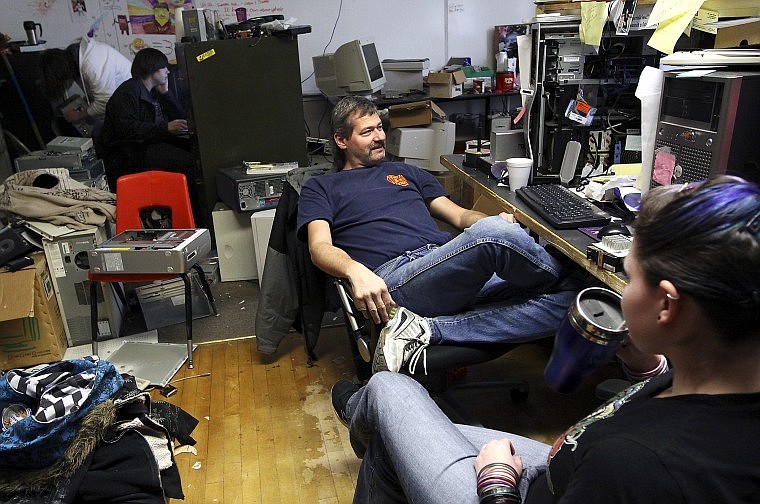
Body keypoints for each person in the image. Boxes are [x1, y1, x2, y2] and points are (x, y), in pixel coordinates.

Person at [330, 175, 760, 503]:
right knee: (390, 439)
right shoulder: (719, 383)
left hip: (518, 491)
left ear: (668, 307)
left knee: (388, 388)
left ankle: (358, 407)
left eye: (630, 276)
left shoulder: (634, 464)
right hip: (567, 466)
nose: (621, 290)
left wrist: (497, 481)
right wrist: (650, 368)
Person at [297, 95, 578, 374]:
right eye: (367, 132)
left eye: (380, 128)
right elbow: (319, 247)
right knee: (509, 244)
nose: (379, 137)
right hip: (395, 281)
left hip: (444, 265)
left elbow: (461, 216)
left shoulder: (405, 172)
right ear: (341, 140)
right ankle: (556, 275)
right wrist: (354, 270)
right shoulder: (322, 187)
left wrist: (495, 221)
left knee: (576, 301)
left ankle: (423, 330)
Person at [100, 47, 200, 221]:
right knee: (191, 165)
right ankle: (185, 217)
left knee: (195, 154)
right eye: (164, 67)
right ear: (152, 69)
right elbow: (128, 130)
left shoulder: (153, 91)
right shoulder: (128, 92)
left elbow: (181, 118)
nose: (168, 71)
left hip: (149, 143)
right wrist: (165, 128)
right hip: (131, 153)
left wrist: (166, 93)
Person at [40, 37, 132, 136]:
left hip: (130, 106)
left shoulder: (91, 66)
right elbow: (99, 91)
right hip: (121, 101)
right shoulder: (74, 57)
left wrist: (79, 115)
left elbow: (107, 102)